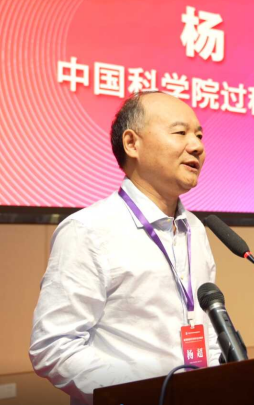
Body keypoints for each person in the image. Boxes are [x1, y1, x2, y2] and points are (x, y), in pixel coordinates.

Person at [29, 91, 221, 405]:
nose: (197, 146)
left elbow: (205, 327)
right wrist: (140, 393)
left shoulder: (195, 229)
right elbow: (54, 346)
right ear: (132, 144)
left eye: (199, 135)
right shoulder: (88, 230)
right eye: (180, 132)